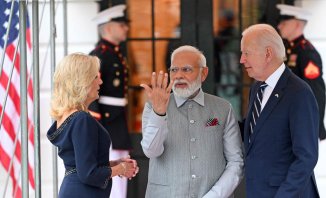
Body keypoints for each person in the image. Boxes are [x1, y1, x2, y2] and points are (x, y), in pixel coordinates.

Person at [140, 45, 244, 198]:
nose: (178, 76)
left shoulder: (223, 108)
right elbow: (151, 151)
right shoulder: (152, 107)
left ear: (204, 73)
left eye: (186, 69)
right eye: (174, 70)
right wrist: (159, 113)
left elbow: (235, 162)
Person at [240, 24, 319, 197]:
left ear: (268, 53)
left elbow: (306, 158)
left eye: (246, 53)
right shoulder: (257, 87)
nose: (242, 60)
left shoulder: (299, 93)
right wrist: (216, 122)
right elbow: (255, 129)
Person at [47, 53, 139, 198]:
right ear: (82, 81)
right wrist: (121, 168)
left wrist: (115, 163)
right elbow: (89, 173)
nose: (100, 82)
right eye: (96, 77)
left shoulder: (68, 116)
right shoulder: (81, 119)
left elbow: (81, 165)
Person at [89, 4, 132, 197]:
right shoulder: (99, 55)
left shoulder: (114, 53)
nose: (126, 28)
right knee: (113, 170)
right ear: (108, 27)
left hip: (117, 120)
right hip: (105, 122)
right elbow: (88, 92)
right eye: (121, 25)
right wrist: (96, 125)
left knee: (122, 169)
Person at [277, 4, 326, 140]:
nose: (280, 26)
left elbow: (315, 93)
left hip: (302, 124)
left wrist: (314, 128)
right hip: (289, 121)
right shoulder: (288, 49)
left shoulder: (307, 53)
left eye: (284, 22)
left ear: (297, 24)